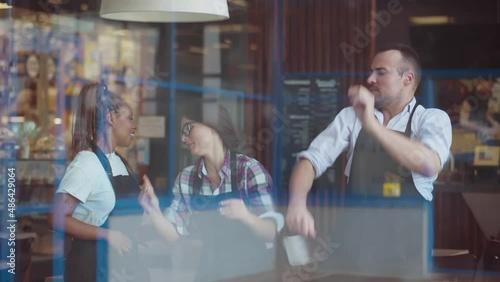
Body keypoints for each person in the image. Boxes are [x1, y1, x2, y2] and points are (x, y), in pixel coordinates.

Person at [286, 43, 452, 238]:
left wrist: (373, 126)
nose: (370, 79)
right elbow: (310, 161)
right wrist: (297, 204)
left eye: (381, 72)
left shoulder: (431, 119)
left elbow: (429, 164)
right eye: (371, 72)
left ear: (407, 79)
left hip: (406, 243)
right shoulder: (351, 116)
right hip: (355, 238)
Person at [138, 103, 284, 282]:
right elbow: (173, 235)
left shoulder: (248, 170)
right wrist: (152, 209)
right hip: (210, 273)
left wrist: (246, 216)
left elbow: (270, 231)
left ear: (212, 126)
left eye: (189, 128)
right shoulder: (187, 179)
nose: (184, 138)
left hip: (252, 273)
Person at [48, 82, 147, 282]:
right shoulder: (86, 165)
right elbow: (57, 218)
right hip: (90, 269)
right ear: (110, 119)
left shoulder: (120, 162)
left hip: (118, 267)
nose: (133, 125)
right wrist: (108, 235)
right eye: (129, 118)